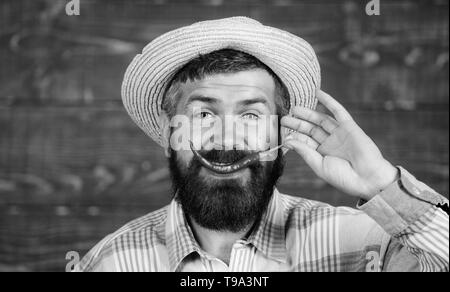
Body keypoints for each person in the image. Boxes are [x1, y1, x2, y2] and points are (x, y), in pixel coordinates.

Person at [76, 17, 448, 272]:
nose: (226, 139)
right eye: (203, 115)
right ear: (167, 130)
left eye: (251, 117)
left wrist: (383, 185)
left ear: (282, 134)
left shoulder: (365, 246)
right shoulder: (112, 261)